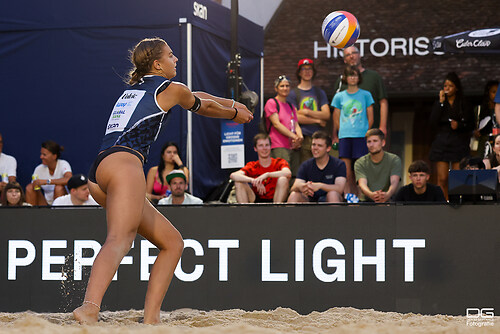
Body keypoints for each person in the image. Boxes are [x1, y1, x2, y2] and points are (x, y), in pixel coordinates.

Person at [72, 37, 253, 325]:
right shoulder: (171, 89)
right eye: (171, 55)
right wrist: (234, 113)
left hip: (102, 172)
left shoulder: (136, 90)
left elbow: (195, 95)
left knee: (172, 243)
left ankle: (152, 319)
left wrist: (232, 101)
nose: (176, 59)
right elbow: (202, 106)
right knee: (119, 240)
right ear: (157, 63)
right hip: (125, 166)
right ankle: (89, 308)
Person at [429, 72, 474, 200]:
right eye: (445, 85)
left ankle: (456, 202)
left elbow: (471, 124)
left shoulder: (464, 103)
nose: (447, 88)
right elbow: (432, 122)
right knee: (442, 178)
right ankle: (443, 203)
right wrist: (441, 103)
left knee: (456, 177)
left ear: (457, 88)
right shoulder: (440, 102)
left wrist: (459, 125)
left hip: (458, 142)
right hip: (442, 142)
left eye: (450, 86)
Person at [332, 65, 374, 196]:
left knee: (360, 169)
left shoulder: (366, 95)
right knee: (346, 171)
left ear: (359, 77)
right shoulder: (339, 96)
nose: (353, 78)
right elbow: (336, 116)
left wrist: (366, 132)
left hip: (361, 136)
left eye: (355, 75)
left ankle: (362, 196)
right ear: (345, 77)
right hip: (345, 136)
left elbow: (370, 116)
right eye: (350, 75)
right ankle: (349, 197)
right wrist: (340, 132)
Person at [332, 45, 388, 136]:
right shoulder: (341, 81)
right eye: (347, 55)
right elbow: (337, 111)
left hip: (372, 132)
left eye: (354, 53)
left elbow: (383, 102)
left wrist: (383, 126)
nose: (351, 56)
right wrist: (335, 133)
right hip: (347, 134)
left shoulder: (374, 77)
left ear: (360, 55)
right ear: (344, 60)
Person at [287, 58, 330, 162]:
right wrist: (317, 120)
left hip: (319, 136)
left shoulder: (319, 92)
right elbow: (295, 117)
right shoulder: (293, 94)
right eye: (304, 69)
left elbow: (326, 115)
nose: (307, 72)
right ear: (299, 73)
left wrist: (307, 112)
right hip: (303, 136)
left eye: (310, 69)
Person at [230, 133, 291, 203]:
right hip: (256, 199)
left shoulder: (279, 162)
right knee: (238, 182)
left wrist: (267, 174)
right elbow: (233, 175)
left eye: (267, 145)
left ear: (271, 147)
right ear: (255, 148)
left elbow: (288, 173)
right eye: (261, 146)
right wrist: (254, 181)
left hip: (276, 198)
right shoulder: (252, 165)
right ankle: (244, 212)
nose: (264, 148)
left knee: (283, 179)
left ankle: (277, 210)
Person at [287, 131, 346, 203]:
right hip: (310, 200)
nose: (315, 148)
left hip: (329, 199)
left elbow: (340, 188)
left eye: (319, 146)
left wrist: (320, 186)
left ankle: (335, 214)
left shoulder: (339, 164)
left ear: (328, 148)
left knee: (332, 194)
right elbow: (294, 187)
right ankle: (287, 214)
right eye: (313, 145)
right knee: (294, 194)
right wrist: (303, 186)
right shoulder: (305, 165)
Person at [264, 75, 303, 177]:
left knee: (294, 175)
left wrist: (300, 137)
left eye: (287, 86)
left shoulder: (291, 106)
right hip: (279, 145)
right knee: (283, 175)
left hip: (293, 146)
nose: (285, 88)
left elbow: (296, 124)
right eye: (282, 86)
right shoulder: (272, 103)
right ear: (276, 88)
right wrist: (294, 136)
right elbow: (276, 124)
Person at [354, 128, 401, 203]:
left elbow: (394, 182)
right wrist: (372, 195)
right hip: (366, 201)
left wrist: (387, 195)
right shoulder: (360, 162)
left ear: (383, 143)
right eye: (369, 142)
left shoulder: (394, 159)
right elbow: (362, 184)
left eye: (375, 141)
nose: (371, 145)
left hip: (388, 199)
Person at [25, 140, 72, 206]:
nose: (41, 157)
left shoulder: (63, 164)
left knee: (59, 188)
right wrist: (36, 184)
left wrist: (47, 181)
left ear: (54, 156)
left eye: (44, 155)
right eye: (41, 154)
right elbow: (33, 186)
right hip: (44, 202)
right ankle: (31, 214)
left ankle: (59, 213)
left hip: (61, 199)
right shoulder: (39, 168)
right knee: (30, 187)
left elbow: (69, 179)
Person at [470, 80, 498, 158]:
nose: (496, 95)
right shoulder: (479, 109)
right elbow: (470, 126)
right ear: (488, 93)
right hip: (483, 144)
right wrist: (474, 132)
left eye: (498, 92)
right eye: (493, 92)